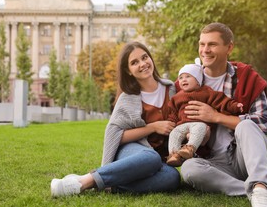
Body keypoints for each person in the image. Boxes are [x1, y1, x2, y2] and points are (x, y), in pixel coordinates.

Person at [180, 22, 267, 207]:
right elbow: (178, 120)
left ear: (229, 47)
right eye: (202, 44)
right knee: (189, 169)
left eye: (212, 44)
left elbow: (264, 123)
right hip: (214, 162)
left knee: (247, 125)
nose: (205, 50)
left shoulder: (246, 77)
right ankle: (266, 189)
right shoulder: (190, 80)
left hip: (246, 158)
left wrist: (216, 117)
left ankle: (261, 192)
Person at [50, 41, 180, 197]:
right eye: (134, 62)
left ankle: (110, 185)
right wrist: (152, 127)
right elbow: (115, 135)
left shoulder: (172, 89)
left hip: (160, 160)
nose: (143, 64)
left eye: (145, 57)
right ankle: (84, 181)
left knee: (172, 177)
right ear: (128, 70)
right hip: (131, 151)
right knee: (150, 157)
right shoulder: (127, 98)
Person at [166, 63, 243, 167]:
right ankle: (174, 155)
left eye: (188, 76)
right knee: (174, 134)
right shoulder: (177, 97)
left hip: (199, 123)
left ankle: (189, 149)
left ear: (198, 81)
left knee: (200, 128)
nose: (183, 80)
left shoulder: (206, 92)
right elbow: (173, 112)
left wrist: (235, 106)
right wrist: (171, 122)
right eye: (181, 77)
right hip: (182, 125)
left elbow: (221, 101)